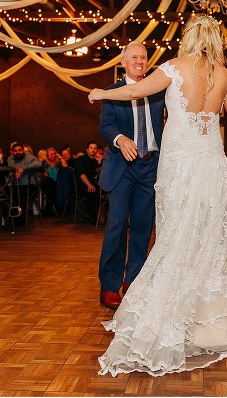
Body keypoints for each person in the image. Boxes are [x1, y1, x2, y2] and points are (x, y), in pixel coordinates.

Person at [89, 15, 227, 376]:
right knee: (207, 235)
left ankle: (171, 311)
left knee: (176, 232)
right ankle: (209, 317)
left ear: (190, 37)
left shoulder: (174, 67)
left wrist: (101, 92)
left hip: (179, 163)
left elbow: (134, 91)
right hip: (211, 164)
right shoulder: (225, 74)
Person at [95, 42, 165, 310]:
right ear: (123, 62)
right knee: (116, 226)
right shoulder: (112, 92)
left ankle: (133, 281)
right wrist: (120, 138)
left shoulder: (157, 90)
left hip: (150, 167)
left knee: (143, 227)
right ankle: (110, 285)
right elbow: (106, 126)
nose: (140, 60)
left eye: (143, 57)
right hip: (123, 167)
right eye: (134, 57)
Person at [73, 141, 100, 222]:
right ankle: (92, 218)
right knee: (92, 191)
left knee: (105, 191)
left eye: (95, 148)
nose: (93, 150)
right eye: (91, 148)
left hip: (93, 184)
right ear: (87, 150)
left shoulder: (95, 161)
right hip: (82, 184)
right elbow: (82, 174)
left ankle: (105, 219)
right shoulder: (81, 159)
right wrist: (89, 185)